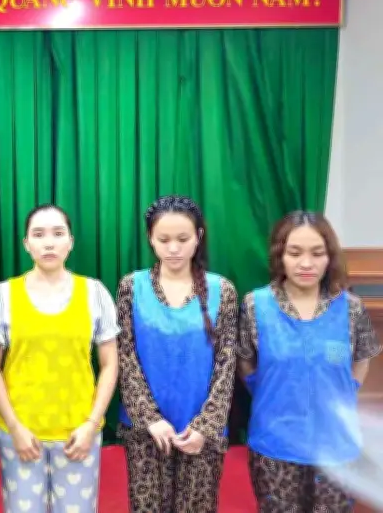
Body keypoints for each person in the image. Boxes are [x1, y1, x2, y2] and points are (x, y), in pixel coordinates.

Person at [237, 211, 382, 512]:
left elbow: (361, 359)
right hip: (275, 445)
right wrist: (268, 393)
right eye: (295, 253)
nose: (306, 263)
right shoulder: (255, 305)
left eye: (317, 253)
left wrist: (344, 390)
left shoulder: (351, 309)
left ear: (330, 257)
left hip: (337, 447)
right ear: (280, 256)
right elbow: (246, 362)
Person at [0, 204, 119, 513]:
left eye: (58, 234)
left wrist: (91, 425)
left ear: (70, 242)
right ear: (26, 243)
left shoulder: (94, 292)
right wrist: (15, 427)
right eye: (39, 234)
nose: (49, 243)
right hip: (20, 432)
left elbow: (110, 364)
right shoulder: (3, 294)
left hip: (78, 433)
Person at [117, 195, 238, 512]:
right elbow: (125, 358)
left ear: (198, 237)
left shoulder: (222, 290)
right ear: (150, 238)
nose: (173, 248)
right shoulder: (132, 286)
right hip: (147, 432)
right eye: (164, 239)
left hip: (201, 432)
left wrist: (205, 426)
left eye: (183, 239)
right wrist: (150, 419)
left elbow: (226, 364)